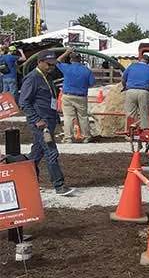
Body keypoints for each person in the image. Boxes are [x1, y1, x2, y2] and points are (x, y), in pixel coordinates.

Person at [19, 51, 74, 196]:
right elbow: (23, 102)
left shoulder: (47, 76)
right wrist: (36, 119)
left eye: (53, 64)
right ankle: (59, 185)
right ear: (40, 62)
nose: (51, 67)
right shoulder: (32, 78)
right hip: (40, 123)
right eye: (49, 64)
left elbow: (50, 98)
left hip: (49, 120)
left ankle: (23, 179)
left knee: (36, 153)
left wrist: (55, 116)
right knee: (51, 152)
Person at [57, 47, 97, 143]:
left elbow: (57, 61)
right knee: (83, 117)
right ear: (80, 60)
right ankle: (86, 136)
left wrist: (66, 52)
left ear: (71, 59)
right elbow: (92, 83)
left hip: (67, 95)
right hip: (81, 96)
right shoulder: (87, 70)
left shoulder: (67, 67)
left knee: (68, 117)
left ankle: (68, 138)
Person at [120, 54, 149, 130]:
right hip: (144, 91)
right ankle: (145, 132)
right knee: (144, 114)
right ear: (148, 62)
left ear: (140, 59)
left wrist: (125, 86)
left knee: (130, 114)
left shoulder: (132, 66)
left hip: (130, 91)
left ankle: (130, 131)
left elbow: (123, 79)